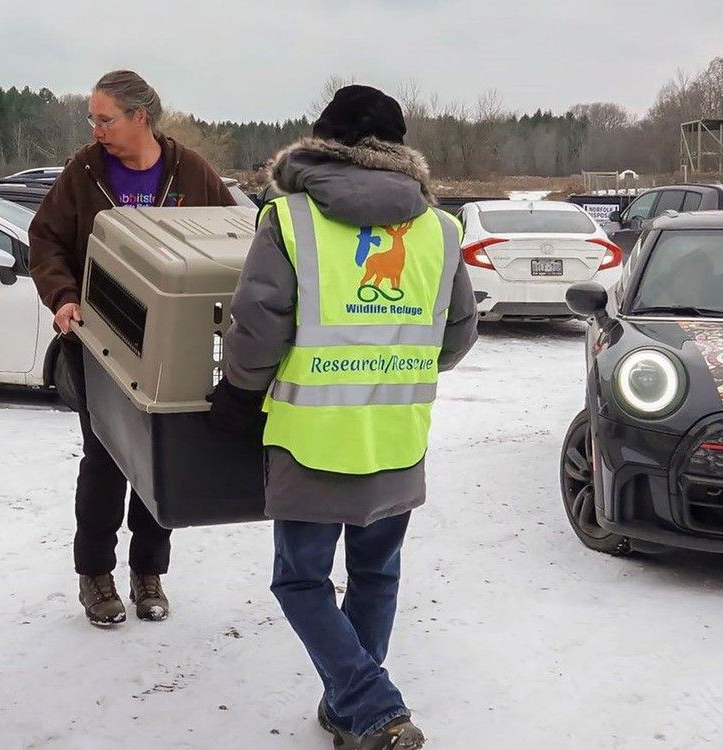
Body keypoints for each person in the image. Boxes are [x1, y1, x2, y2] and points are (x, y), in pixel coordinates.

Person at [208, 85, 478, 749]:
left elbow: (257, 324)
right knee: (377, 571)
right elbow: (460, 334)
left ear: (324, 141)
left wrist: (239, 396)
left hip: (309, 440)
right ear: (396, 150)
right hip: (396, 437)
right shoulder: (440, 229)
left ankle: (371, 705)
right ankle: (352, 711)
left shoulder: (291, 217)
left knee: (300, 578)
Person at [28, 70, 236, 627]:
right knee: (104, 458)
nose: (95, 129)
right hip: (97, 341)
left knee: (158, 457)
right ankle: (95, 576)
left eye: (104, 118)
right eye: (92, 119)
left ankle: (149, 572)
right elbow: (45, 238)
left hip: (168, 346)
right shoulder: (84, 172)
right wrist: (63, 296)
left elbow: (232, 240)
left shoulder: (191, 173)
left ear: (140, 118)